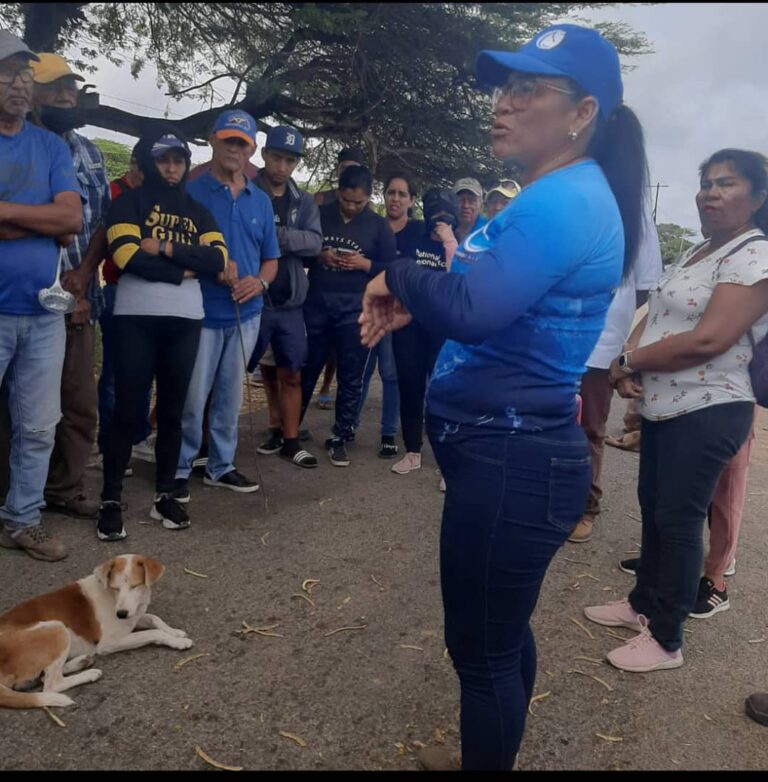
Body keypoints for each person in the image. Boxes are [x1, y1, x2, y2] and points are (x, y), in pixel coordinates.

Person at [360, 23, 647, 770]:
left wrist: (397, 276)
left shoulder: (568, 200)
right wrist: (426, 297)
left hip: (513, 461)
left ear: (582, 112)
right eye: (502, 87)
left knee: (480, 651)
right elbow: (477, 295)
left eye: (527, 90)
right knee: (499, 635)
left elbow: (474, 308)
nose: (502, 104)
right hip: (506, 454)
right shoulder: (545, 195)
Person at [585, 148, 768, 672]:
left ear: (757, 197)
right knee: (655, 510)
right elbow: (657, 308)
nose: (710, 191)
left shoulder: (754, 257)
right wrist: (628, 365)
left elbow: (708, 339)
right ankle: (642, 603)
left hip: (710, 408)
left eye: (726, 183)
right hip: (667, 407)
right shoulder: (699, 250)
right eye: (706, 182)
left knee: (680, 519)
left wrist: (627, 358)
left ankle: (667, 638)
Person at [97, 126, 228, 541]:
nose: (171, 168)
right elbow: (126, 257)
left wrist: (168, 250)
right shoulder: (127, 202)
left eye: (178, 160)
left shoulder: (198, 210)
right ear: (146, 163)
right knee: (128, 411)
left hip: (186, 322)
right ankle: (111, 500)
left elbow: (219, 260)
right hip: (135, 318)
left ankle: (165, 494)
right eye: (163, 160)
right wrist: (189, 269)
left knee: (174, 412)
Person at [0, 31, 82, 562]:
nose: (19, 84)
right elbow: (54, 220)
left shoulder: (50, 146)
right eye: (8, 73)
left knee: (38, 425)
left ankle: (22, 519)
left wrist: (5, 214)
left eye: (25, 75)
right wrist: (42, 223)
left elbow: (71, 219)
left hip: (44, 313)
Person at [172, 110, 278, 501]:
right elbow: (176, 252)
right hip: (200, 312)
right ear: (213, 140)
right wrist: (208, 266)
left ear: (251, 150)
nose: (235, 149)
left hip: (246, 314)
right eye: (229, 140)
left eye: (242, 143)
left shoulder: (260, 201)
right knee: (193, 396)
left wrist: (260, 281)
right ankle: (180, 467)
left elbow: (271, 259)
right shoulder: (190, 193)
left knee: (231, 396)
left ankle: (220, 465)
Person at [26, 53, 110, 520]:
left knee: (78, 402)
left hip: (79, 299)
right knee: (18, 408)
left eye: (70, 87)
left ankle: (65, 486)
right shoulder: (18, 145)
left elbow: (99, 222)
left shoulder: (89, 150)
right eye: (54, 86)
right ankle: (14, 496)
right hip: (23, 298)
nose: (64, 95)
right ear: (29, 91)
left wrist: (81, 280)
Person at [568, 203, 662, 542]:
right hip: (554, 338)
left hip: (599, 349)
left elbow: (643, 288)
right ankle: (546, 499)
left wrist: (608, 322)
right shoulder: (571, 201)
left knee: (590, 429)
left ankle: (585, 507)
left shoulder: (636, 217)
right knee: (541, 420)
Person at [301, 164, 397, 467]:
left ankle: (341, 435)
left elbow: (391, 269)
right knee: (306, 370)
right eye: (346, 200)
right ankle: (289, 432)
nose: (352, 207)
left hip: (355, 309)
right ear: (338, 193)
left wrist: (363, 264)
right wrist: (320, 254)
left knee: (351, 375)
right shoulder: (320, 214)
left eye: (359, 202)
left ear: (369, 198)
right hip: (316, 303)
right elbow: (299, 251)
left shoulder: (379, 226)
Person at [249, 124, 322, 469]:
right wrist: (290, 238)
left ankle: (291, 441)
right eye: (277, 156)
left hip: (291, 304)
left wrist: (272, 236)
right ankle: (210, 450)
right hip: (252, 301)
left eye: (290, 160)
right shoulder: (247, 192)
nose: (282, 166)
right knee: (232, 373)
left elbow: (315, 243)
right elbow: (242, 236)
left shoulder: (303, 200)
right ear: (264, 154)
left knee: (292, 373)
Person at [390, 187, 458, 479]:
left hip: (442, 329)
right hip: (409, 326)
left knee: (444, 393)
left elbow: (459, 281)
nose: (440, 220)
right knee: (410, 387)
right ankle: (412, 451)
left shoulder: (460, 245)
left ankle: (448, 462)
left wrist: (449, 242)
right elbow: (400, 276)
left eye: (446, 215)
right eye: (435, 215)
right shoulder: (413, 240)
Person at [352, 173, 420, 458]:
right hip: (369, 308)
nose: (395, 198)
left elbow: (409, 270)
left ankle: (388, 433)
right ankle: (348, 426)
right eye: (391, 192)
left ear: (411, 200)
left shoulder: (419, 231)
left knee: (391, 374)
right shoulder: (373, 226)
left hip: (398, 312)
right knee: (362, 371)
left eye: (402, 194)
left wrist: (368, 265)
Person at [97, 143, 154, 469]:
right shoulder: (114, 193)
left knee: (145, 371)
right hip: (119, 288)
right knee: (115, 375)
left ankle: (138, 436)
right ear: (134, 163)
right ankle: (109, 443)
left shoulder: (155, 197)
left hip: (149, 290)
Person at [452, 176, 487, 243]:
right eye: (460, 200)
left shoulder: (489, 232)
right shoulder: (441, 228)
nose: (466, 206)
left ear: (481, 204)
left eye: (472, 200)